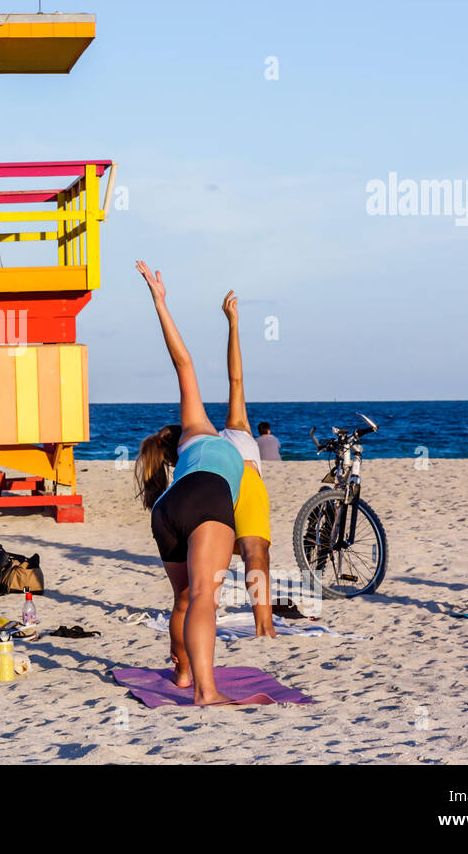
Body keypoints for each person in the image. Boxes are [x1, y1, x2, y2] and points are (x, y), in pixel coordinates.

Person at [132, 262, 245, 706]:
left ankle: (183, 673)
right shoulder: (211, 429)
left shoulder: (194, 437)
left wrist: (161, 301)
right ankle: (207, 691)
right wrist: (162, 301)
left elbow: (184, 363)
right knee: (204, 598)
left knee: (184, 598)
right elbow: (215, 371)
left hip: (168, 509)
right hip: (206, 498)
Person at [219, 291, 276, 637]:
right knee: (255, 556)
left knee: (218, 562)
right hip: (240, 482)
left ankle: (264, 627)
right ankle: (264, 627)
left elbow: (235, 380)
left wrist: (234, 325)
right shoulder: (236, 428)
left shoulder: (202, 439)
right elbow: (236, 380)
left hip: (217, 485)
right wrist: (234, 324)